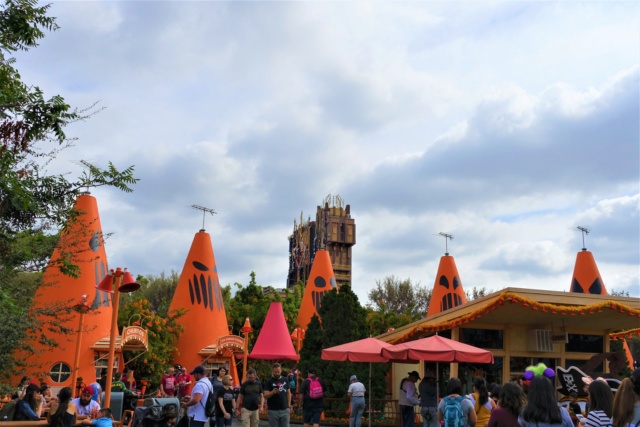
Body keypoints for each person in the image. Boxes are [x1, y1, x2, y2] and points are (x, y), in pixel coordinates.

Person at [264, 363, 291, 427]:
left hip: (284, 409)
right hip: (273, 410)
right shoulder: (269, 381)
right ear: (272, 371)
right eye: (275, 372)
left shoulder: (285, 380)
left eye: (278, 372)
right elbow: (265, 395)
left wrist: (289, 406)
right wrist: (272, 392)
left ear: (281, 371)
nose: (277, 373)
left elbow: (288, 393)